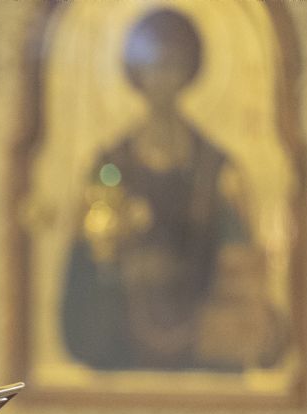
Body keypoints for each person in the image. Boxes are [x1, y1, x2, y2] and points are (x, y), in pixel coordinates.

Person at [60, 6, 286, 372]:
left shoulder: (216, 169)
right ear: (136, 74)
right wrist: (124, 262)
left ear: (189, 72)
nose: (162, 79)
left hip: (204, 339)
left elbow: (240, 267)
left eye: (173, 65)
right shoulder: (110, 165)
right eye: (153, 66)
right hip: (122, 338)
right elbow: (88, 265)